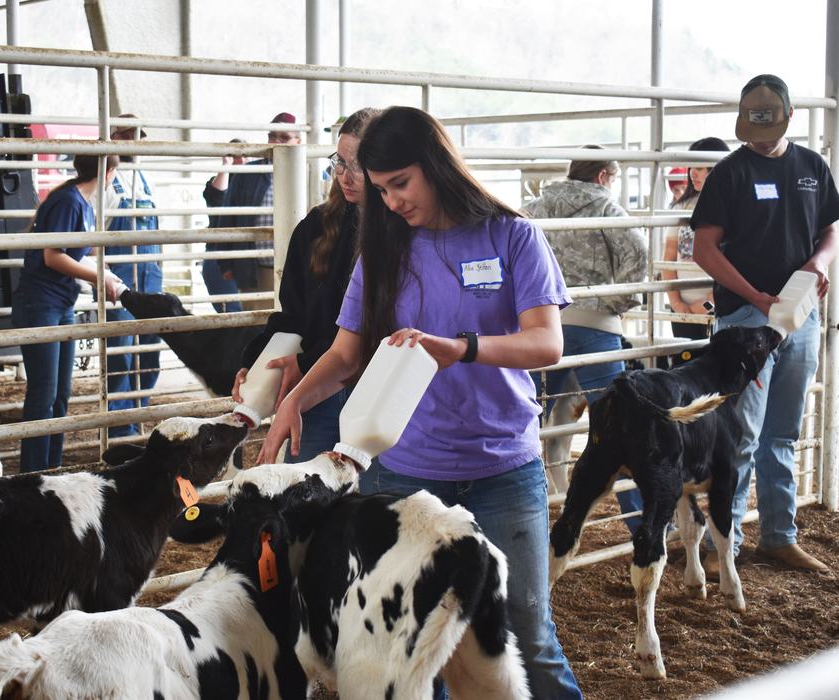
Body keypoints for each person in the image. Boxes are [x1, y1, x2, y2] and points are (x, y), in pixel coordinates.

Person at [259, 106, 583, 699]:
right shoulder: (381, 253)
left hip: (504, 468)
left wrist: (462, 348)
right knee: (413, 640)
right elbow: (346, 353)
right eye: (379, 189)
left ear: (437, 165)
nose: (390, 202)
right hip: (406, 474)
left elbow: (546, 342)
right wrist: (296, 401)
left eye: (399, 184)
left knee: (527, 633)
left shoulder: (512, 235)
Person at [692, 74, 839, 575]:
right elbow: (703, 247)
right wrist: (753, 295)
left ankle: (779, 535)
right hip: (744, 315)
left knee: (783, 431)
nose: (760, 134)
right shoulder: (729, 174)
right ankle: (721, 545)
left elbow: (830, 230)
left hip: (799, 311)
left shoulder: (812, 168)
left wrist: (820, 263)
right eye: (752, 125)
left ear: (789, 117)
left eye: (768, 123)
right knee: (741, 432)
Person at [232, 108, 379, 462]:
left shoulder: (397, 236)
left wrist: (307, 363)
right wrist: (254, 361)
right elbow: (293, 314)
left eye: (358, 165)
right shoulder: (315, 227)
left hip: (375, 389)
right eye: (340, 162)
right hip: (316, 386)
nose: (345, 175)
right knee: (306, 489)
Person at [523, 145, 648, 535]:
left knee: (528, 421)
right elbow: (638, 259)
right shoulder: (610, 210)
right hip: (596, 329)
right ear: (603, 176)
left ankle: (526, 516)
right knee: (617, 425)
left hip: (542, 326)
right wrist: (609, 304)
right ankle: (640, 521)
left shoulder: (536, 208)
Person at [12, 154, 122, 472]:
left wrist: (110, 276)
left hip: (61, 303)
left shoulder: (82, 203)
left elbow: (81, 255)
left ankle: (52, 468)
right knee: (44, 391)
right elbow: (53, 256)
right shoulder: (68, 202)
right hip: (40, 303)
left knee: (60, 394)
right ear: (108, 173)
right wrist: (100, 278)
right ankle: (34, 473)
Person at [202, 112, 302, 311]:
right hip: (257, 268)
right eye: (272, 136)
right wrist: (227, 264)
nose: (277, 142)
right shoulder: (248, 172)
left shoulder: (307, 171)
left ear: (298, 142)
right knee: (258, 328)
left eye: (284, 138)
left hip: (299, 269)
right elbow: (228, 216)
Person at [104, 115, 161, 437]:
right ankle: (120, 427)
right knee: (121, 353)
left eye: (136, 136)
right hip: (122, 273)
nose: (133, 142)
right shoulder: (107, 178)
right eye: (126, 136)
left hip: (150, 271)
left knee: (149, 348)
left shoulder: (146, 176)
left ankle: (139, 413)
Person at [663, 137, 730, 342]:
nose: (693, 173)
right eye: (692, 166)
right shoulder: (681, 207)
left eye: (700, 167)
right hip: (681, 306)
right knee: (684, 361)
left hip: (717, 303)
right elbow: (669, 256)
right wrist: (676, 304)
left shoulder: (731, 206)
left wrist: (706, 304)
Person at [201, 138, 247, 312]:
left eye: (245, 156)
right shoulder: (220, 179)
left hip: (244, 257)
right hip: (219, 255)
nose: (241, 161)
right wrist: (226, 165)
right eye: (235, 156)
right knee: (231, 312)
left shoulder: (253, 182)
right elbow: (217, 194)